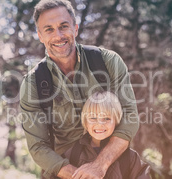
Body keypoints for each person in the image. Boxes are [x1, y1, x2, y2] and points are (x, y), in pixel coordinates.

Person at [19, 0, 139, 178]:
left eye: (63, 26)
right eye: (49, 29)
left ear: (75, 29)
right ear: (40, 35)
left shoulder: (107, 62)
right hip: (64, 172)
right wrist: (80, 175)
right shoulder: (33, 84)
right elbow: (38, 146)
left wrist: (100, 166)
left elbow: (130, 116)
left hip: (115, 167)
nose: (58, 35)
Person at [63, 91, 151, 179]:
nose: (100, 123)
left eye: (106, 118)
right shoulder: (72, 153)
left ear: (116, 121)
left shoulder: (129, 157)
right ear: (85, 122)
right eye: (93, 118)